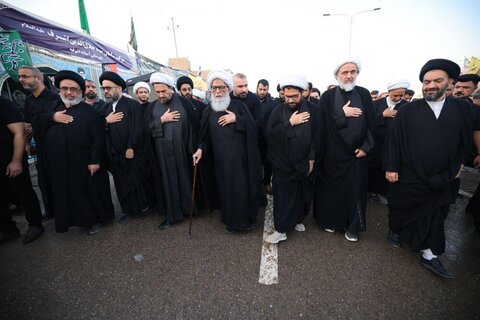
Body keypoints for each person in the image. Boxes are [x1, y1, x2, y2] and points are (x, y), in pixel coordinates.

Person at [386, 59, 471, 279]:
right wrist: (392, 167)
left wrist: (457, 168)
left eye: (437, 80)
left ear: (450, 82)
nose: (430, 85)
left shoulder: (462, 109)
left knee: (435, 214)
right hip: (410, 174)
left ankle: (429, 253)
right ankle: (396, 231)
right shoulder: (408, 110)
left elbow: (463, 143)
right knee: (402, 208)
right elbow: (394, 141)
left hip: (443, 177)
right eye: (426, 81)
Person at [36, 70, 114, 234]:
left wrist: (95, 160)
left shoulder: (91, 112)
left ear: (80, 91)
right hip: (60, 164)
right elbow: (37, 124)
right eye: (65, 88)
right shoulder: (52, 108)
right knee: (66, 194)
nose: (69, 92)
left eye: (73, 89)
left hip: (83, 163)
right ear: (59, 90)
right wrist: (52, 117)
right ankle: (72, 221)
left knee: (86, 194)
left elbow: (98, 139)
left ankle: (93, 221)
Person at [313, 57, 376, 242]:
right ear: (337, 75)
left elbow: (373, 124)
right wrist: (342, 114)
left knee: (355, 192)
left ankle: (352, 227)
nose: (349, 76)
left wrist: (367, 147)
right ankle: (331, 221)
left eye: (352, 72)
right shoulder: (327, 97)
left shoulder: (364, 94)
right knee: (331, 191)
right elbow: (321, 125)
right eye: (345, 72)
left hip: (356, 155)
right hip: (332, 155)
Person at [193, 70, 263, 233]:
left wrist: (237, 119)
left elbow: (254, 127)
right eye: (214, 88)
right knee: (225, 191)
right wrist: (200, 149)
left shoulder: (239, 106)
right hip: (219, 162)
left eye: (221, 88)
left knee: (240, 191)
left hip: (240, 161)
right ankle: (230, 221)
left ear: (228, 88)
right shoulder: (208, 110)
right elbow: (204, 137)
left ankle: (244, 223)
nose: (218, 91)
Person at [264, 76, 317, 244]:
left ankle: (297, 220)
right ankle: (281, 230)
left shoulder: (314, 110)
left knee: (301, 194)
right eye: (287, 96)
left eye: (294, 96)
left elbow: (318, 137)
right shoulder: (277, 111)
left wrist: (312, 159)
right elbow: (270, 134)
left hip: (304, 163)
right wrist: (290, 123)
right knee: (283, 197)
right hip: (282, 163)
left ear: (302, 93)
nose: (290, 99)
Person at [144, 72, 195, 230]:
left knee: (184, 180)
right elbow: (145, 130)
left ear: (170, 88)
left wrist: (193, 148)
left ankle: (188, 210)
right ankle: (173, 215)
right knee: (169, 183)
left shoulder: (184, 103)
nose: (160, 95)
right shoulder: (152, 107)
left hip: (183, 152)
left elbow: (194, 127)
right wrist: (161, 120)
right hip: (162, 156)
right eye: (157, 92)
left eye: (163, 91)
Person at [100, 71, 150, 223]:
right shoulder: (105, 109)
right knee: (121, 184)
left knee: (135, 182)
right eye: (104, 89)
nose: (106, 91)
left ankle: (141, 207)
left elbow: (138, 128)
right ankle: (128, 210)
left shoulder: (132, 105)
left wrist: (131, 147)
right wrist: (105, 121)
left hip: (131, 153)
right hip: (115, 155)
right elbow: (98, 129)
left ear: (119, 88)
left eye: (109, 88)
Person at [18, 66, 61, 220]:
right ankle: (51, 211)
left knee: (59, 181)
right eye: (20, 76)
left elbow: (55, 122)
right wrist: (28, 143)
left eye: (25, 76)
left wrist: (38, 123)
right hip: (40, 149)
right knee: (44, 181)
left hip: (56, 148)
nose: (21, 79)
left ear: (38, 78)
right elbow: (28, 123)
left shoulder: (55, 98)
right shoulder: (29, 100)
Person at [0, 97, 44, 244]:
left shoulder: (3, 103)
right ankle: (8, 229)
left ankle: (35, 224)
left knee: (23, 192)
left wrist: (16, 161)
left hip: (10, 160)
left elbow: (20, 132)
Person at [368, 80, 410, 206]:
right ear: (389, 92)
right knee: (371, 168)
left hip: (393, 145)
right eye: (395, 95)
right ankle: (368, 191)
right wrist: (382, 115)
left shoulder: (406, 106)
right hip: (374, 144)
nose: (397, 98)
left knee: (387, 167)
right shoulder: (376, 104)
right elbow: (367, 123)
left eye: (401, 96)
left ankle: (381, 193)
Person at [256, 79, 278, 195]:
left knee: (268, 163)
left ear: (268, 89)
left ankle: (266, 183)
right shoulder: (251, 101)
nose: (262, 92)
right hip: (253, 140)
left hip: (268, 140)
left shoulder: (273, 104)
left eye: (265, 89)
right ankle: (255, 186)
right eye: (260, 89)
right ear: (257, 88)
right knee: (255, 164)